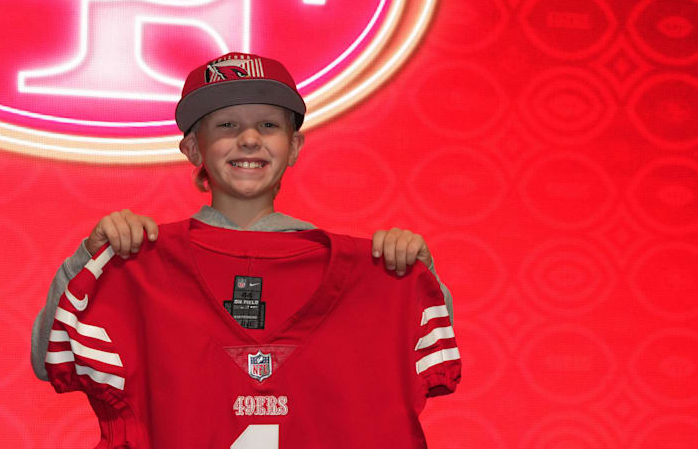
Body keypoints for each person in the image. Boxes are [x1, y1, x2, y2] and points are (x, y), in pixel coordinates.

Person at [31, 52, 460, 447]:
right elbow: (45, 357)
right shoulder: (137, 266)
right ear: (193, 148)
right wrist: (91, 259)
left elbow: (427, 354)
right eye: (227, 125)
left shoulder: (376, 274)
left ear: (294, 146)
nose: (250, 139)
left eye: (268, 125)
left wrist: (418, 277)